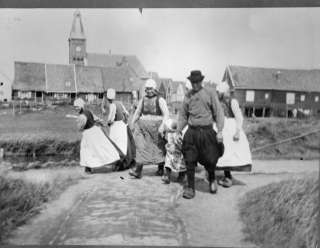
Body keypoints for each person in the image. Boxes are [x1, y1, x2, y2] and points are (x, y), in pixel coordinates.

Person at [177, 70, 225, 199]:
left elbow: (219, 113)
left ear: (201, 81)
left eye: (197, 82)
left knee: (210, 159)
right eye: (193, 82)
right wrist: (178, 131)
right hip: (192, 132)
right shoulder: (188, 96)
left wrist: (219, 131)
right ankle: (191, 188)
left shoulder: (210, 93)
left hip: (207, 132)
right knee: (189, 159)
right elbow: (183, 115)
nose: (195, 85)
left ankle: (212, 178)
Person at [129, 78, 170, 178]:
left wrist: (162, 126)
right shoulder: (143, 99)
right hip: (143, 128)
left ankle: (161, 168)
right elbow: (138, 112)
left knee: (158, 149)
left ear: (155, 89)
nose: (148, 91)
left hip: (157, 128)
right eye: (147, 89)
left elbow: (166, 114)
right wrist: (132, 122)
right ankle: (138, 170)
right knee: (141, 147)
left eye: (150, 89)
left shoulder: (160, 100)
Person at [215, 82, 252, 187]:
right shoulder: (218, 102)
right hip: (221, 127)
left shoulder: (233, 102)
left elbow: (239, 118)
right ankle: (217, 174)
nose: (218, 94)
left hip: (230, 127)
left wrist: (237, 132)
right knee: (220, 152)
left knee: (229, 153)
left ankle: (228, 177)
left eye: (219, 92)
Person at [73, 98, 121, 173]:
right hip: (95, 131)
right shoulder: (88, 112)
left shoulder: (82, 116)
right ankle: (88, 167)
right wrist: (101, 122)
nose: (76, 108)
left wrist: (79, 122)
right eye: (75, 107)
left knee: (96, 149)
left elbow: (80, 128)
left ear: (81, 106)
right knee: (92, 149)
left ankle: (116, 162)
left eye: (77, 106)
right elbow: (96, 119)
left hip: (89, 133)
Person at [101, 88, 136, 170]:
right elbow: (126, 113)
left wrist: (107, 122)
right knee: (124, 145)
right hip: (122, 125)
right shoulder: (120, 103)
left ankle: (119, 165)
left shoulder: (112, 105)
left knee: (116, 145)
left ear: (108, 98)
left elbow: (111, 119)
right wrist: (124, 119)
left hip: (116, 126)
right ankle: (126, 163)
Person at [161, 118, 186, 184]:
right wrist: (168, 145)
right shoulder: (169, 133)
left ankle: (181, 176)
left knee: (182, 165)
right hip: (171, 152)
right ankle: (167, 176)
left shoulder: (181, 133)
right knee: (168, 163)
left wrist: (177, 146)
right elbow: (169, 141)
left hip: (180, 152)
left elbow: (183, 144)